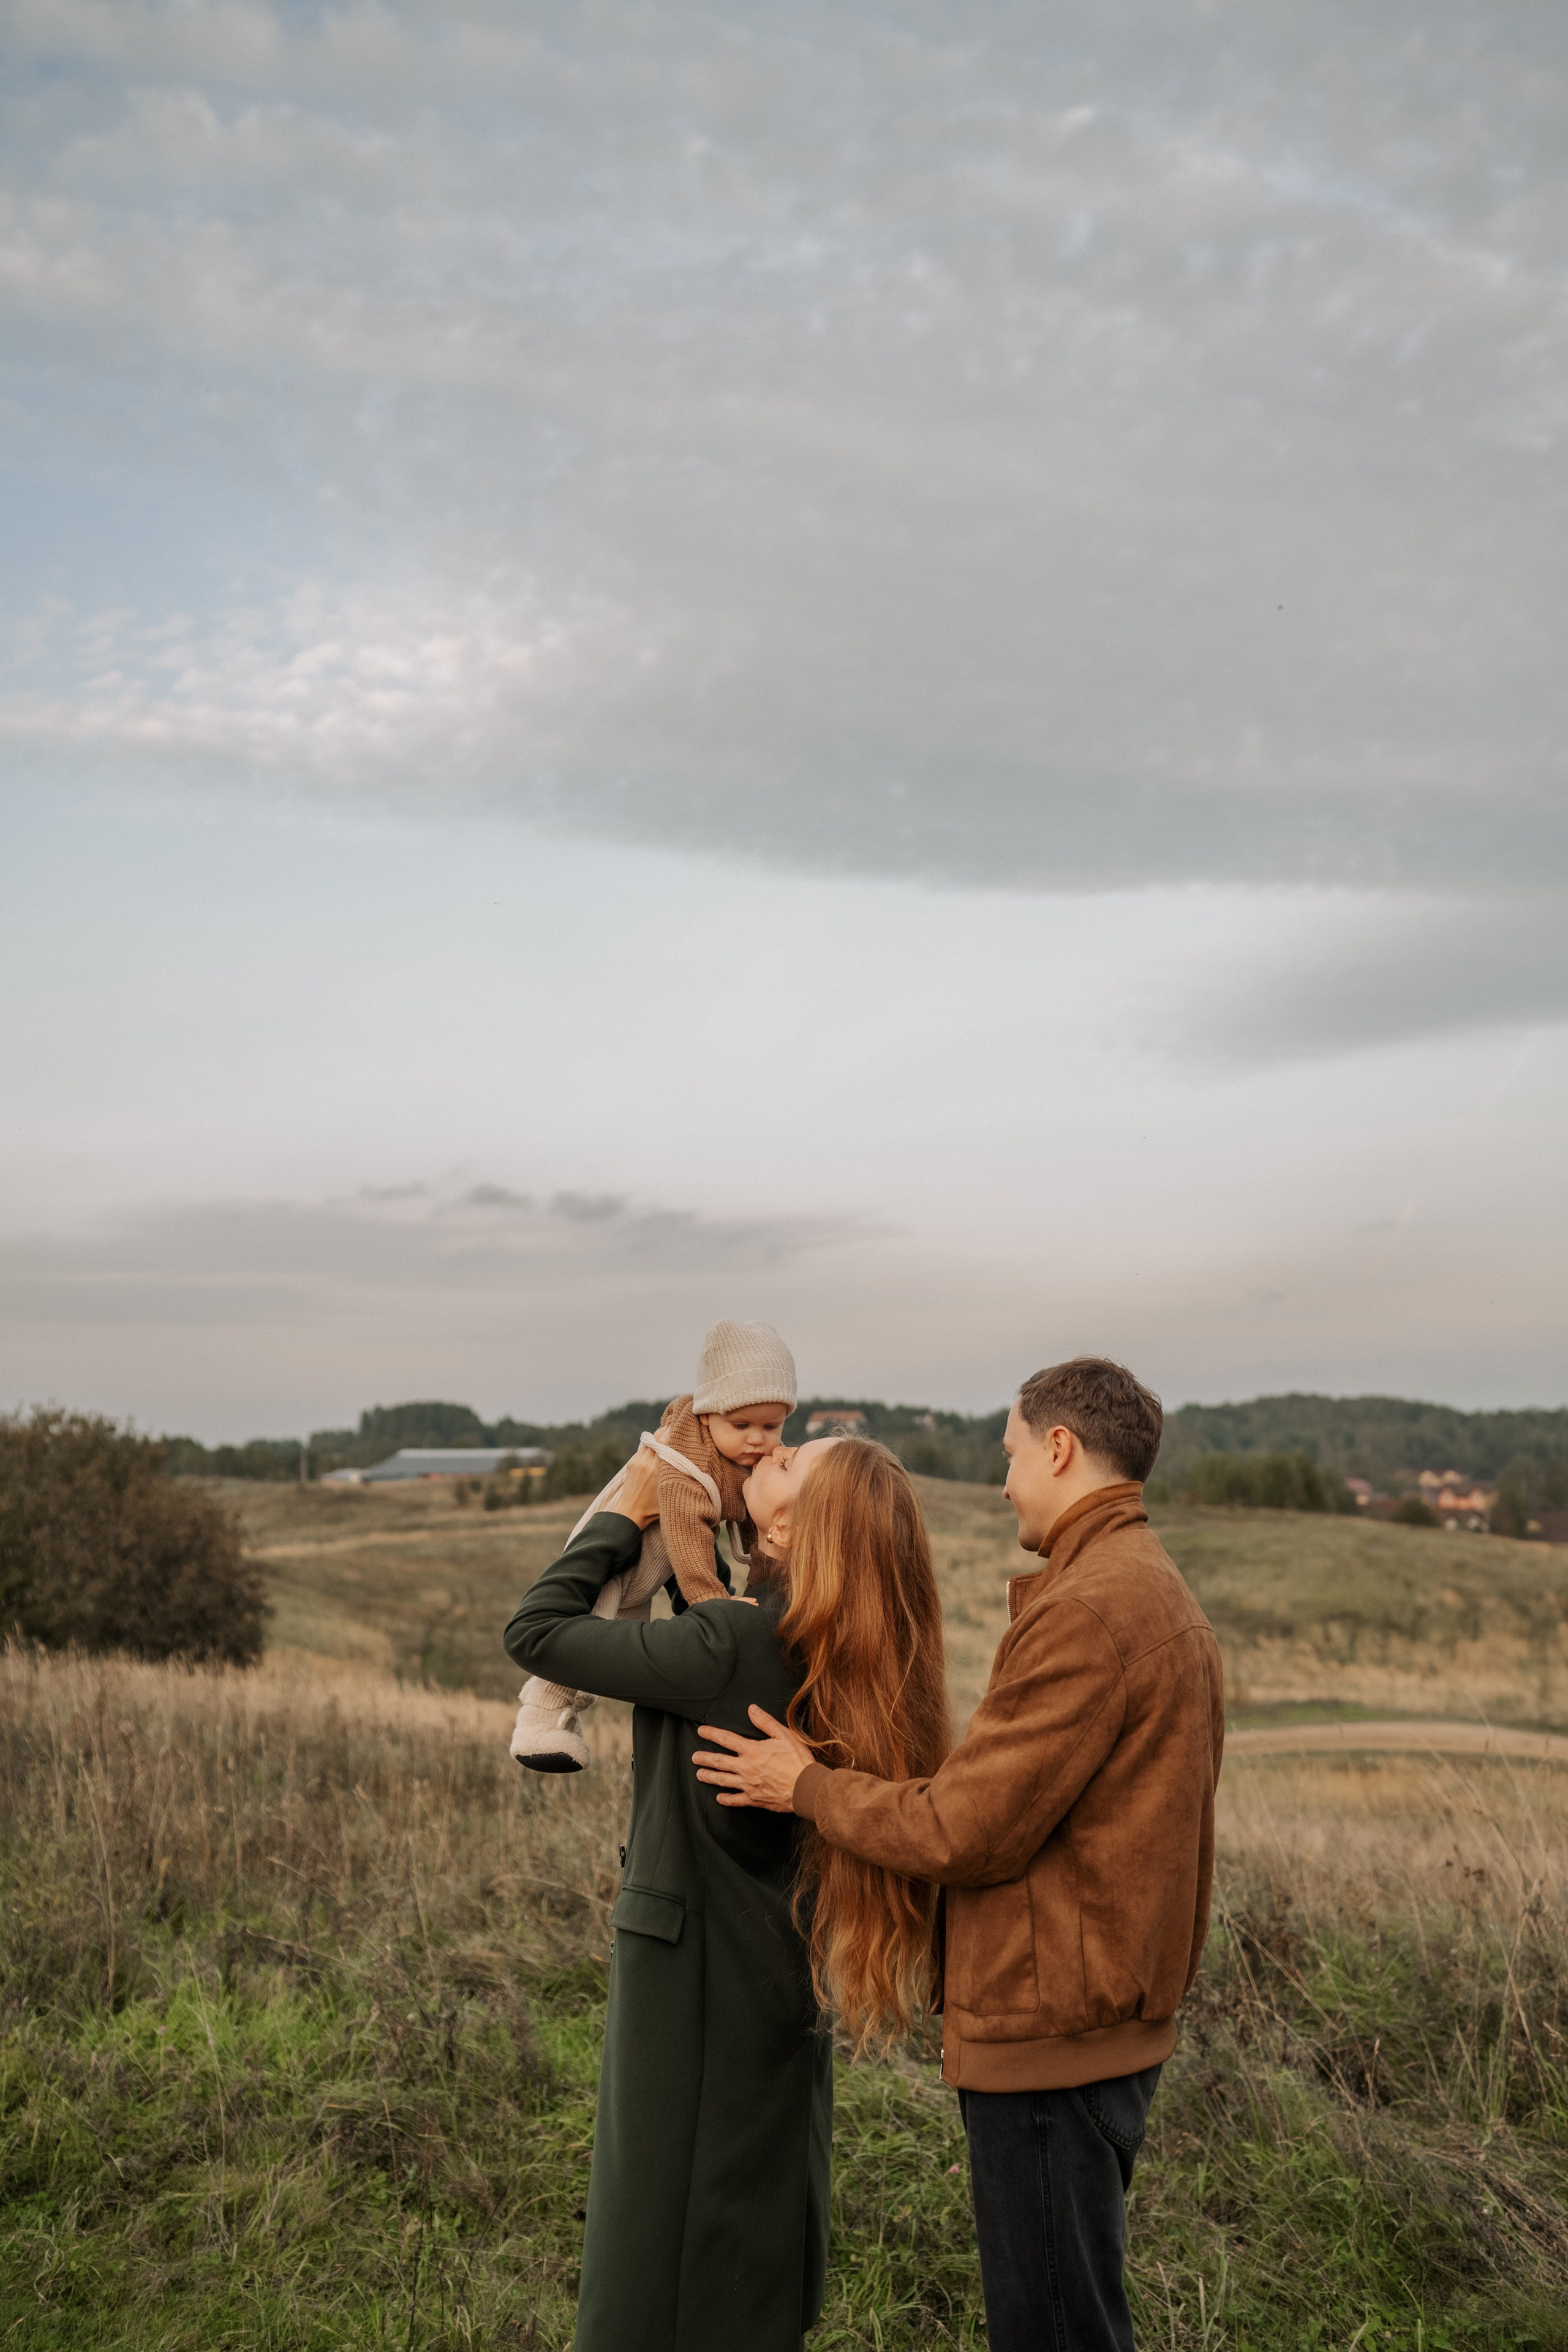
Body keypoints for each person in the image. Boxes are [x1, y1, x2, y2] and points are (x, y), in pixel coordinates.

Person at [693, 1357, 1225, 2352]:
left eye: (1014, 1453)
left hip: (1053, 2034)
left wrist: (803, 1786)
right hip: (1094, 2020)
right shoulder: (1146, 1592)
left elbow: (964, 1829)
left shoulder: (1094, 1612)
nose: (1006, 1479)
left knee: (1053, 2330)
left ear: (1061, 1448)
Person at [503, 1431, 949, 2352]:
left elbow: (537, 1630)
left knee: (658, 2242)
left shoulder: (734, 1641)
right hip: (771, 1971)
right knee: (744, 2215)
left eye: (787, 1462)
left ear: (788, 1530)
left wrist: (628, 1511)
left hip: (693, 1987)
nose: (769, 1451)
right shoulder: (823, 1645)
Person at [510, 1317, 797, 1771]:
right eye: (741, 1424)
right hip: (620, 1544)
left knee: (610, 1641)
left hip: (657, 1562)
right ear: (707, 1414)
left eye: (773, 1426)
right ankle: (539, 1726)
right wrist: (711, 1602)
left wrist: (734, 1596)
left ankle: (557, 1723)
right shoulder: (688, 1459)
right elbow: (686, 1530)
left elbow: (718, 1537)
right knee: (590, 1625)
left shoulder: (741, 1455)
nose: (759, 1440)